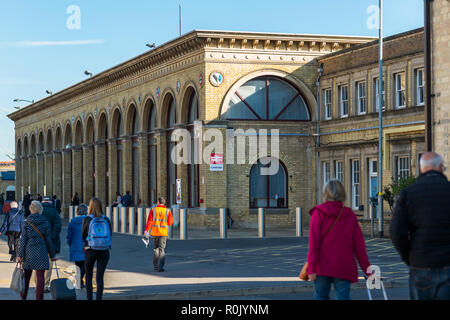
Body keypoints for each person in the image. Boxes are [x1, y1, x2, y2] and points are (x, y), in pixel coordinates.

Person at [390, 152, 450, 300]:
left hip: (421, 263)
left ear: (422, 169)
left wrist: (409, 257)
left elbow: (396, 232)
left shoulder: (408, 193)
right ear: (441, 167)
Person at [306, 180, 371, 300]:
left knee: (321, 295)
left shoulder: (319, 213)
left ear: (325, 193)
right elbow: (359, 247)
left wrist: (312, 268)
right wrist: (368, 271)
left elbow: (314, 244)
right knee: (343, 296)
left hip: (322, 265)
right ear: (343, 194)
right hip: (343, 265)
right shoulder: (350, 215)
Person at [17, 201, 57, 300]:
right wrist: (52, 255)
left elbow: (23, 240)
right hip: (42, 252)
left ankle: (23, 296)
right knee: (40, 277)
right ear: (40, 210)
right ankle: (39, 298)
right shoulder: (45, 223)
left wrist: (20, 255)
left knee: (26, 277)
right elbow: (48, 240)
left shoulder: (26, 223)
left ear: (31, 209)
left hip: (29, 253)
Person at [82, 198, 112, 300]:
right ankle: (99, 298)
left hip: (90, 249)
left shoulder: (87, 219)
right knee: (100, 276)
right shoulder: (106, 219)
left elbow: (83, 236)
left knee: (89, 275)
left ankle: (89, 298)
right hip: (104, 250)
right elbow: (110, 234)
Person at [38, 196, 62, 293]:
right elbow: (58, 226)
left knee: (38, 264)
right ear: (50, 202)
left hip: (38, 243)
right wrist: (51, 237)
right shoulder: (54, 212)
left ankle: (38, 284)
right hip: (51, 242)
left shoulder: (38, 211)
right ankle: (45, 285)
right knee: (49, 264)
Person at [144, 197, 173, 272]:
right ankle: (161, 267)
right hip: (163, 233)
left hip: (155, 232)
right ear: (164, 203)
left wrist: (146, 231)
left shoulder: (153, 210)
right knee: (162, 249)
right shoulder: (167, 211)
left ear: (157, 202)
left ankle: (156, 266)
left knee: (156, 249)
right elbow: (170, 223)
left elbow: (149, 221)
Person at [67, 203, 88, 288]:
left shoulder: (73, 221)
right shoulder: (88, 220)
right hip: (85, 245)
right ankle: (79, 280)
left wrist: (70, 243)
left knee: (78, 265)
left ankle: (79, 282)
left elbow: (69, 235)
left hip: (75, 245)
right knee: (85, 265)